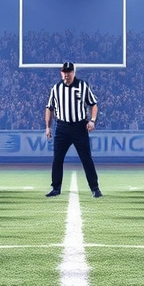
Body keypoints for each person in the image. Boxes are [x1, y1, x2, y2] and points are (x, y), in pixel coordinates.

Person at [45, 62, 101, 198]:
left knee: (86, 158)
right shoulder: (56, 88)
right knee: (57, 158)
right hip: (62, 127)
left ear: (73, 72)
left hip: (79, 127)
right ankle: (56, 187)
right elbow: (49, 108)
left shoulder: (83, 86)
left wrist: (92, 120)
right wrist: (47, 126)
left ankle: (95, 188)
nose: (66, 74)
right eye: (64, 72)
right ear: (61, 73)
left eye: (69, 72)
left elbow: (93, 104)